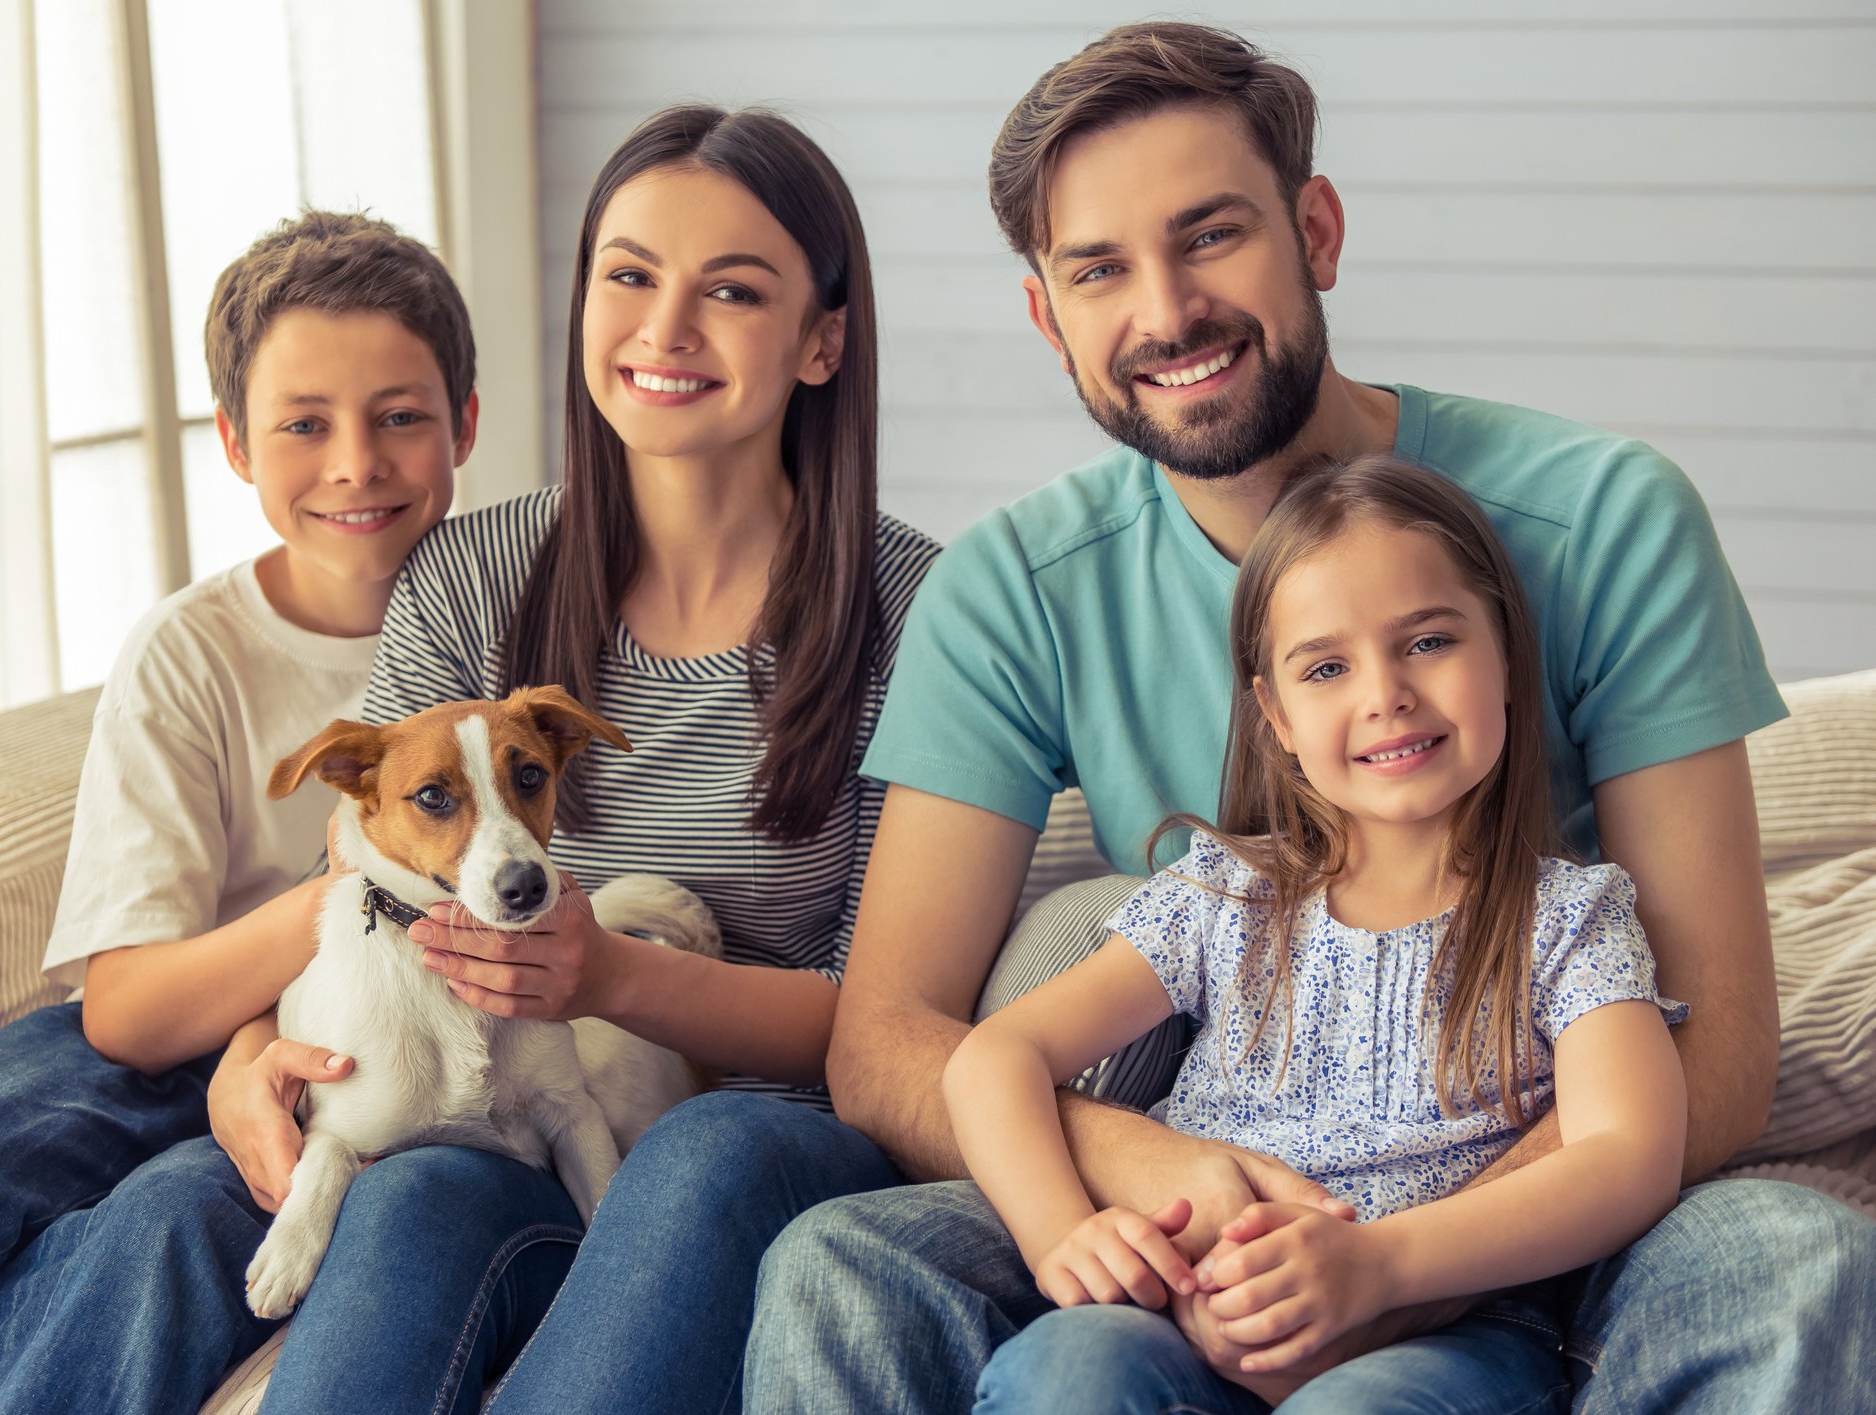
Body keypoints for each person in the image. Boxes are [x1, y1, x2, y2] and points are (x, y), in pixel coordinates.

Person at [738, 20, 1876, 1413]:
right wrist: (1166, 1180)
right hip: (1209, 1213)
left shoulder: (1600, 519)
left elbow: (1722, 1058)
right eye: (1097, 269)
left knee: (1796, 1257)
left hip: (1545, 1188)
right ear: (1048, 318)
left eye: (1209, 235)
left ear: (1314, 232)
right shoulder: (1014, 595)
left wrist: (1386, 1260)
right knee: (842, 1262)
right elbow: (891, 1039)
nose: (1163, 311)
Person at [167, 105, 940, 1415]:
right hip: (508, 1099)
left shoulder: (914, 610)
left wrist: (615, 975)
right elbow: (372, 891)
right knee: (410, 1186)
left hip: (767, 1120)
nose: (664, 326)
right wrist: (252, 1037)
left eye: (732, 290)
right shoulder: (469, 574)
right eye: (628, 274)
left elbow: (894, 1026)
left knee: (702, 1148)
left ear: (822, 338)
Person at [0, 210, 480, 1415]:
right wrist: (347, 898)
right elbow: (127, 1009)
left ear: (462, 419)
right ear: (237, 443)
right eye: (305, 423)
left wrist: (283, 1033)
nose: (357, 460)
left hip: (359, 1048)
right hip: (172, 1023)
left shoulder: (497, 641)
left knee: (163, 1232)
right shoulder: (191, 651)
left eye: (401, 415)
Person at [952, 455, 1688, 1414]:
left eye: (1426, 641)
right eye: (1327, 667)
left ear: (1504, 655)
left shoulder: (1569, 918)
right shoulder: (1226, 896)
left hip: (1451, 1331)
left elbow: (1628, 1155)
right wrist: (1061, 1234)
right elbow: (995, 1056)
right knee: (1068, 1371)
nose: (1384, 694)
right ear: (1276, 716)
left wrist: (1379, 1266)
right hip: (1189, 1315)